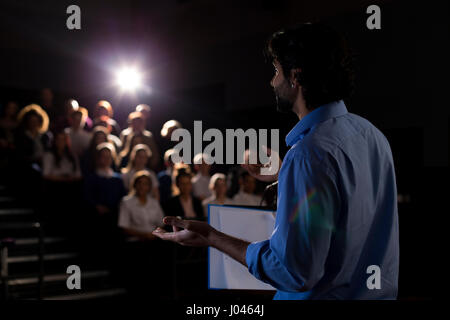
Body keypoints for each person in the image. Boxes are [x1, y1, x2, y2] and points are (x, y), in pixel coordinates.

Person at [153, 23, 399, 300]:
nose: (272, 81)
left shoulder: (309, 153)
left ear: (295, 77)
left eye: (276, 71)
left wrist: (212, 237)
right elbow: (349, 207)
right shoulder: (372, 135)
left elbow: (293, 272)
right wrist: (286, 173)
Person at [118, 171, 164, 241]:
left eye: (145, 184)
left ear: (149, 187)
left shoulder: (154, 202)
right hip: (135, 240)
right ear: (134, 185)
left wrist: (154, 234)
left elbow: (161, 223)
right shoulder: (126, 202)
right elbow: (124, 227)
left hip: (153, 239)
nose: (142, 186)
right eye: (139, 183)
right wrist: (144, 235)